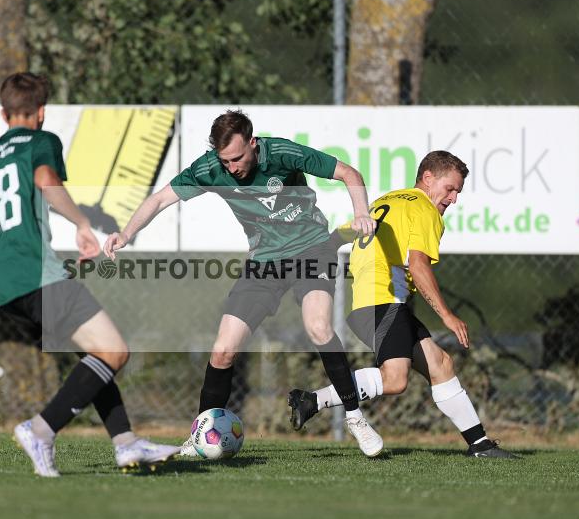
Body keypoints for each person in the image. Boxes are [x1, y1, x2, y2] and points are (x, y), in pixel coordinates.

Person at [0, 72, 178, 477]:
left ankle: (126, 444)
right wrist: (82, 225)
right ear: (41, 112)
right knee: (114, 351)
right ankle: (40, 430)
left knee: (96, 354)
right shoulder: (41, 142)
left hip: (2, 285)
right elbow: (46, 181)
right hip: (36, 275)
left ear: (3, 113)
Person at [103, 109, 385, 457]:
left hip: (312, 248)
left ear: (253, 143)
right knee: (222, 351)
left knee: (318, 327)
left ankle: (355, 417)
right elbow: (161, 198)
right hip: (263, 262)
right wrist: (126, 233)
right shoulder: (211, 169)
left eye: (237, 158)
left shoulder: (282, 153)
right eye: (225, 160)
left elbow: (348, 173)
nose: (232, 167)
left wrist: (361, 211)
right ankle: (199, 437)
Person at [287, 150, 515, 458]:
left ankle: (480, 444)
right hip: (384, 302)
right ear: (428, 178)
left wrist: (324, 251)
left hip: (373, 302)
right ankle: (312, 400)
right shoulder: (424, 209)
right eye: (450, 189)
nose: (453, 198)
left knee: (440, 364)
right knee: (395, 379)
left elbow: (342, 233)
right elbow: (418, 265)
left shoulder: (388, 200)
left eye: (458, 192)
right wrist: (447, 315)